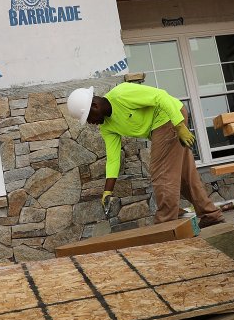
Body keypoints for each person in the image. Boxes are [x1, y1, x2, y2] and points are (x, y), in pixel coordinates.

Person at [66, 83, 225, 229]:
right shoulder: (107, 127)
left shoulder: (122, 94)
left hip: (169, 117)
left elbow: (160, 96)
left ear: (95, 106)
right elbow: (113, 158)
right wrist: (108, 191)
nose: (90, 123)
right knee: (185, 176)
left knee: (161, 173)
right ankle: (210, 214)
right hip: (162, 125)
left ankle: (166, 224)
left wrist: (179, 126)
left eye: (88, 118)